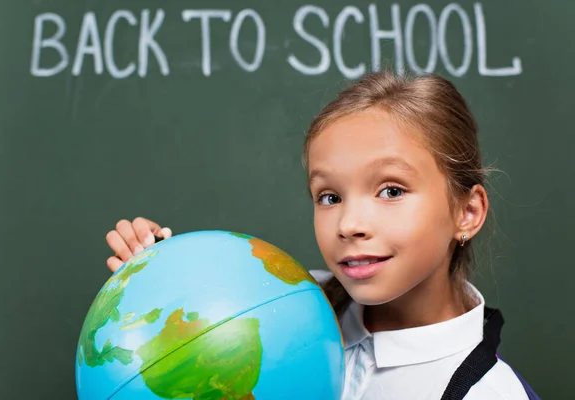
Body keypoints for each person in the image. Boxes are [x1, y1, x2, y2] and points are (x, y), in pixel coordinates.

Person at [104, 72, 534, 399]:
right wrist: (160, 286)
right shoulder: (277, 305)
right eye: (329, 196)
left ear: (468, 211)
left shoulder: (490, 392)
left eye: (391, 191)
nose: (348, 224)